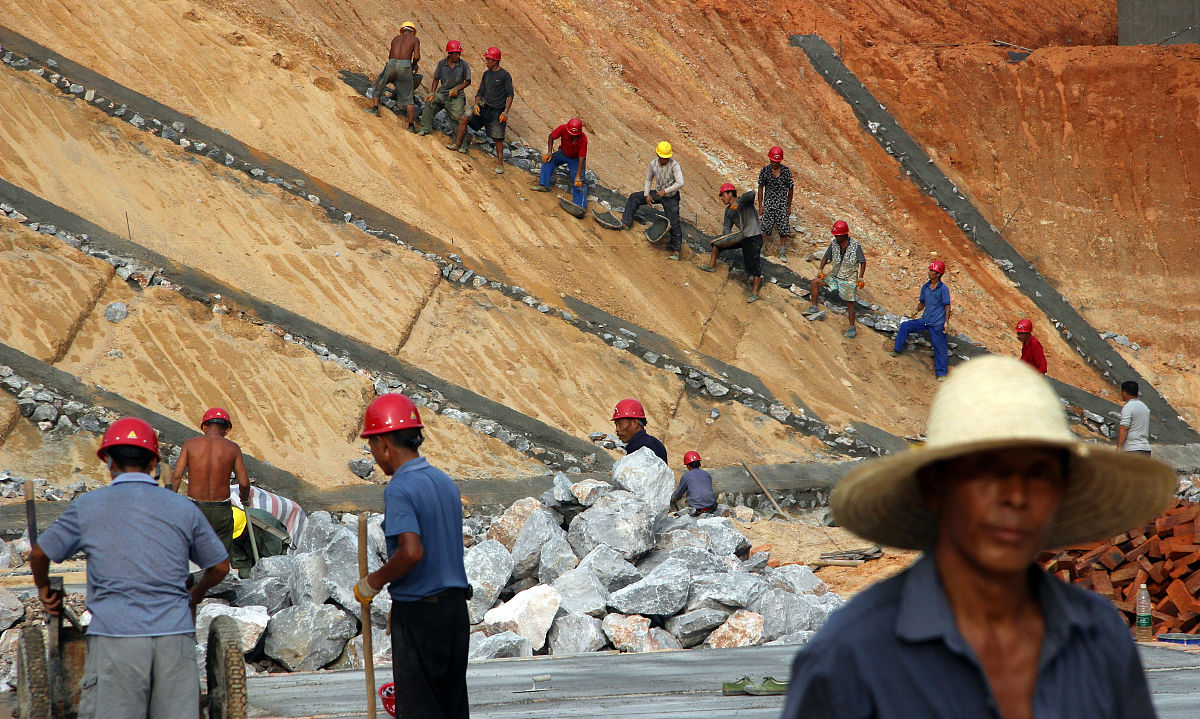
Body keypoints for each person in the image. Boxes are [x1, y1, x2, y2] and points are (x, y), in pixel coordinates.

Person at [781, 355, 1173, 719]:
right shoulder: (850, 658)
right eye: (987, 469)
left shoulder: (1099, 639)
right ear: (935, 486)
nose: (1016, 497)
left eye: (1038, 472)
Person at [31, 417, 229, 719]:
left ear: (108, 461)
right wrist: (196, 594)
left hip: (115, 639)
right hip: (174, 641)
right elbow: (220, 566)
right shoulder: (182, 508)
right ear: (153, 463)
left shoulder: (89, 506)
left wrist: (44, 588)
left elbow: (40, 552)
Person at [351, 394, 470, 719]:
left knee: (420, 709)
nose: (375, 457)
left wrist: (373, 582)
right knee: (452, 707)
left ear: (385, 444)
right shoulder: (444, 482)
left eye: (373, 447)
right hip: (456, 613)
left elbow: (412, 551)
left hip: (421, 617)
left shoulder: (400, 488)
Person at [171, 407, 251, 558]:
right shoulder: (233, 448)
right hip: (221, 511)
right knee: (220, 558)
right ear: (227, 430)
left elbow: (176, 477)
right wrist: (245, 498)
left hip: (195, 509)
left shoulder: (190, 444)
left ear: (204, 427)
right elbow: (245, 483)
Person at [448, 46, 513, 175]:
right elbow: (480, 92)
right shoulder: (486, 74)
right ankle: (458, 145)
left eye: (488, 59)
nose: (486, 62)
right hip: (483, 107)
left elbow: (510, 94)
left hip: (496, 111)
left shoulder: (505, 75)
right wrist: (476, 104)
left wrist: (505, 111)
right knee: (464, 118)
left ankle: (500, 164)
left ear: (495, 61)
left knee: (498, 138)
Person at [697, 183, 764, 303]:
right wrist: (724, 239)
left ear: (730, 193)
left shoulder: (744, 202)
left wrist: (738, 203)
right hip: (742, 236)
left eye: (723, 195)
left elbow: (752, 194)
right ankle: (711, 266)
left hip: (754, 236)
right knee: (716, 244)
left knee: (754, 263)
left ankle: (754, 292)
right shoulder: (728, 211)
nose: (721, 198)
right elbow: (726, 228)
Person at [620, 141, 685, 260]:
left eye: (666, 158)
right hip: (659, 193)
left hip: (671, 197)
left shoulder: (674, 165)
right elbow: (648, 179)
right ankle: (626, 223)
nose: (664, 160)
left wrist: (665, 191)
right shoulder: (653, 164)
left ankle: (676, 250)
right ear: (658, 155)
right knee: (634, 197)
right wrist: (646, 195)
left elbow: (680, 182)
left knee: (674, 222)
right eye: (662, 157)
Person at [889, 260, 952, 380]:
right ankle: (897, 350)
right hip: (926, 320)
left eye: (932, 271)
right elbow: (922, 303)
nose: (929, 272)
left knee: (940, 347)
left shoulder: (943, 289)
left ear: (938, 274)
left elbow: (947, 306)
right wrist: (916, 311)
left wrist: (946, 323)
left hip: (937, 323)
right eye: (930, 270)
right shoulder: (925, 287)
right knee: (905, 326)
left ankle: (941, 373)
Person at [805, 220, 866, 338]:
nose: (836, 238)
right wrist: (820, 269)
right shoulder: (834, 244)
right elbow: (826, 257)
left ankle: (852, 328)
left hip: (848, 279)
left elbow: (862, 262)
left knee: (850, 303)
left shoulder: (855, 245)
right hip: (835, 276)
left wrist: (861, 278)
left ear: (844, 235)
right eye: (835, 236)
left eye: (838, 236)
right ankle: (813, 307)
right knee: (815, 282)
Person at [366, 22, 421, 133]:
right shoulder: (415, 40)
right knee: (408, 96)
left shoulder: (396, 38)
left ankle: (375, 108)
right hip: (405, 65)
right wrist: (413, 64)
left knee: (380, 84)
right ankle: (411, 126)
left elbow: (390, 55)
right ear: (413, 31)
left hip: (391, 63)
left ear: (402, 30)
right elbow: (416, 56)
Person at [417, 40, 471, 137]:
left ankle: (461, 144)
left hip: (457, 97)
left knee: (458, 117)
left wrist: (457, 89)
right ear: (449, 54)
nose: (458, 56)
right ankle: (425, 128)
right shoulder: (442, 63)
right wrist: (432, 92)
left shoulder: (463, 65)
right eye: (456, 54)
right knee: (430, 103)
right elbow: (436, 79)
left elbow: (468, 81)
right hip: (442, 94)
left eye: (459, 54)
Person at [531, 117, 588, 207]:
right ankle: (543, 185)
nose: (572, 135)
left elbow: (582, 158)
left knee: (579, 180)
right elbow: (551, 136)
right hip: (563, 153)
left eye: (575, 134)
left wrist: (578, 176)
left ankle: (580, 205)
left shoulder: (583, 139)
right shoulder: (562, 128)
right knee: (548, 161)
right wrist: (549, 152)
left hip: (576, 159)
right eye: (571, 133)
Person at [757, 146, 795, 262]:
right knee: (765, 228)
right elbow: (760, 187)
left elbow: (791, 188)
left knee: (783, 228)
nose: (774, 163)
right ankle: (761, 250)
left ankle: (782, 252)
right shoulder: (765, 171)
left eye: (776, 161)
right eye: (773, 161)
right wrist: (760, 206)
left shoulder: (786, 172)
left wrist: (789, 206)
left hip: (782, 204)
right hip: (769, 203)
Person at [611, 398, 667, 464]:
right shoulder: (656, 443)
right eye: (616, 425)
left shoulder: (638, 448)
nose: (617, 429)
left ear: (634, 423)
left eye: (620, 424)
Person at [1118, 380, 1152, 455]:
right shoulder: (1144, 407)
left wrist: (1119, 448)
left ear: (1124, 392)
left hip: (1133, 449)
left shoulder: (1128, 407)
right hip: (1146, 449)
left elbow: (1124, 428)